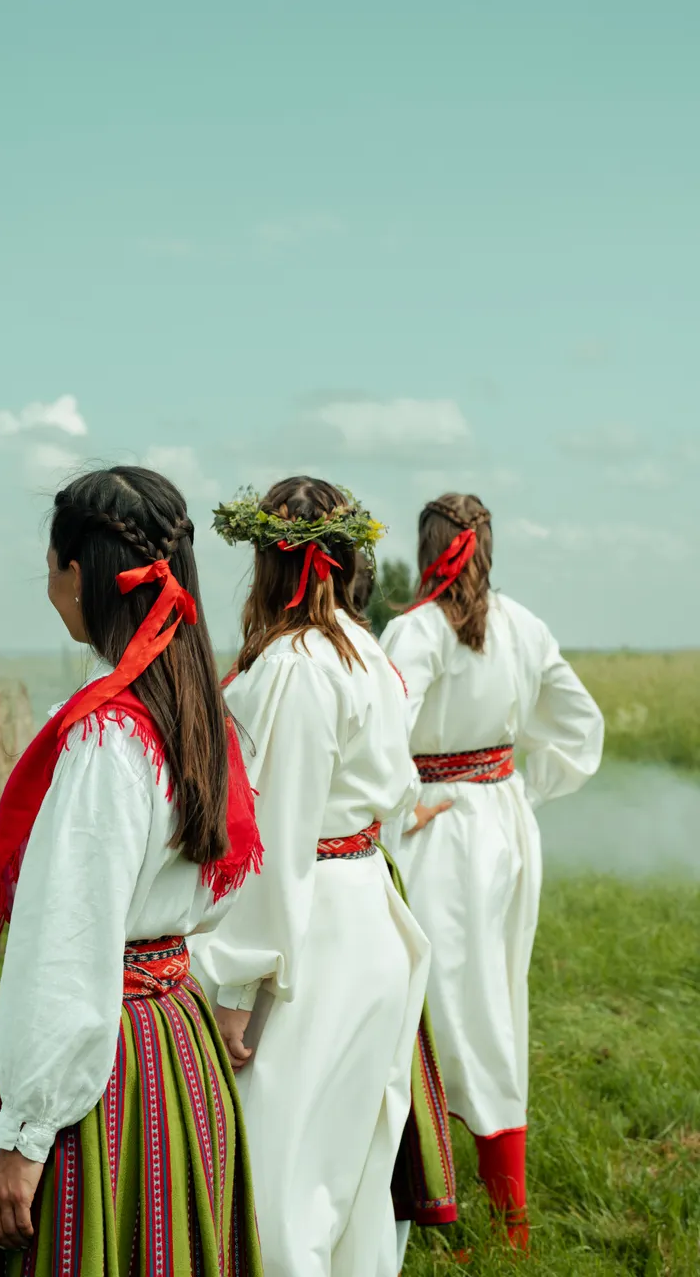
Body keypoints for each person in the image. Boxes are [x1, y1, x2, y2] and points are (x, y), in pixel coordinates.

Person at [0, 466, 265, 1277]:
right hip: (173, 1045)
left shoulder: (108, 739)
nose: (49, 583)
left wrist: (26, 1136)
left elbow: (67, 938)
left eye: (51, 566)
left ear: (77, 573)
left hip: (102, 1061)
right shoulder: (193, 709)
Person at [192, 477, 452, 1277]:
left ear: (270, 561)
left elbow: (279, 837)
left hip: (310, 944)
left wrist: (238, 992)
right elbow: (396, 790)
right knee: (347, 1172)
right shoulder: (365, 648)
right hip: (362, 910)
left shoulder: (299, 664)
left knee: (284, 1177)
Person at [380, 493, 604, 1252]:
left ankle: (445, 1214)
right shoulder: (523, 624)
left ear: (427, 547)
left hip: (442, 833)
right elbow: (581, 727)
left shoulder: (415, 630)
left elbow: (377, 736)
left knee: (436, 1010)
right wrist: (515, 789)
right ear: (486, 548)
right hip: (505, 826)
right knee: (495, 1001)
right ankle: (509, 1214)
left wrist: (405, 805)